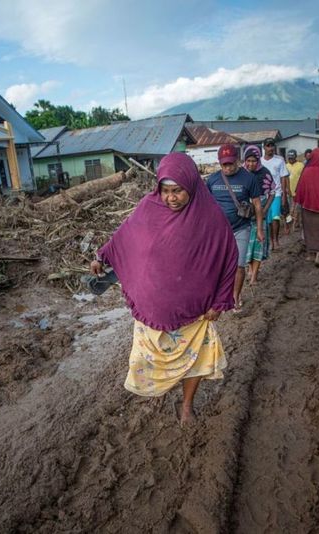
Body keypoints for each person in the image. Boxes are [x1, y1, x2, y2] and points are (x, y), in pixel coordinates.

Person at [90, 152, 238, 425]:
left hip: (197, 312)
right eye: (166, 191)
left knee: (197, 359)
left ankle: (186, 405)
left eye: (178, 191)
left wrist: (220, 301)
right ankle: (158, 391)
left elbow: (229, 259)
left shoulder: (211, 218)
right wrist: (102, 257)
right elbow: (125, 236)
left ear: (191, 186)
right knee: (148, 357)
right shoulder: (149, 207)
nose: (171, 198)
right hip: (154, 307)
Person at [206, 144, 264, 309]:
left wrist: (259, 229)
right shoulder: (212, 180)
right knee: (219, 265)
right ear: (219, 163)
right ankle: (220, 295)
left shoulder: (248, 179)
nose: (228, 167)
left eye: (231, 163)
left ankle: (235, 298)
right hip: (218, 231)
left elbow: (257, 205)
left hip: (241, 228)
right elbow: (204, 205)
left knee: (239, 265)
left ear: (237, 161)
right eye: (224, 164)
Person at [241, 145, 274, 286]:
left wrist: (265, 209)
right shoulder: (240, 174)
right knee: (247, 245)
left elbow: (272, 192)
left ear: (258, 160)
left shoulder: (265, 173)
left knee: (258, 245)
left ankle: (254, 275)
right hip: (244, 217)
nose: (251, 164)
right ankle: (249, 268)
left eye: (254, 161)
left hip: (261, 216)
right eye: (248, 160)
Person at [259, 138, 289, 250]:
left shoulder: (279, 160)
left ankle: (276, 241)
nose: (270, 148)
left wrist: (284, 196)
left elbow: (283, 178)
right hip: (263, 195)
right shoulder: (259, 162)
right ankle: (270, 241)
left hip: (276, 193)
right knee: (268, 220)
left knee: (276, 217)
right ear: (264, 147)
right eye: (268, 146)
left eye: (272, 145)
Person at [285, 149, 305, 232]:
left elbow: (303, 178)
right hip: (289, 192)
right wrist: (287, 190)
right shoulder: (285, 166)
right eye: (289, 158)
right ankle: (290, 224)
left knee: (298, 208)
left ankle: (297, 223)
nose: (291, 160)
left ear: (295, 157)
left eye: (292, 158)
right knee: (290, 208)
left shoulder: (301, 165)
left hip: (299, 191)